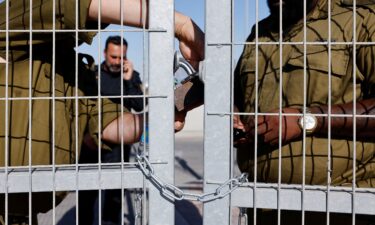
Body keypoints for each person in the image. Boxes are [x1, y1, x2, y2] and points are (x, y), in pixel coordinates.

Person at [0, 0, 204, 224]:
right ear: (105, 53)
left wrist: (164, 115)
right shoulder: (13, 22)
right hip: (87, 153)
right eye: (113, 56)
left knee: (114, 198)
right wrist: (181, 24)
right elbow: (70, 6)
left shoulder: (73, 71)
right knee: (88, 200)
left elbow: (111, 122)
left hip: (24, 213)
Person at [234, 0, 375, 224]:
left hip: (341, 206)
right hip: (265, 205)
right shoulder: (259, 32)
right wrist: (234, 116)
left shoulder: (361, 21)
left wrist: (308, 120)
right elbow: (236, 96)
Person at [79, 35, 144, 225]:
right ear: (105, 53)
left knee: (115, 193)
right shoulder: (93, 74)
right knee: (86, 194)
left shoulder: (131, 76)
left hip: (118, 146)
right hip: (91, 143)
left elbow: (139, 105)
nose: (117, 61)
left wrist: (129, 80)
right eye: (113, 57)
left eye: (121, 57)